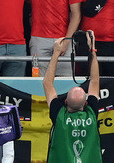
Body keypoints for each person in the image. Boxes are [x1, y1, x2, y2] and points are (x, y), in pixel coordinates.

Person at [43, 33, 101, 163]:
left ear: (65, 102)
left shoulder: (59, 114)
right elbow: (95, 81)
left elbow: (47, 83)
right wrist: (92, 49)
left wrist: (56, 53)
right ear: (86, 103)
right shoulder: (91, 113)